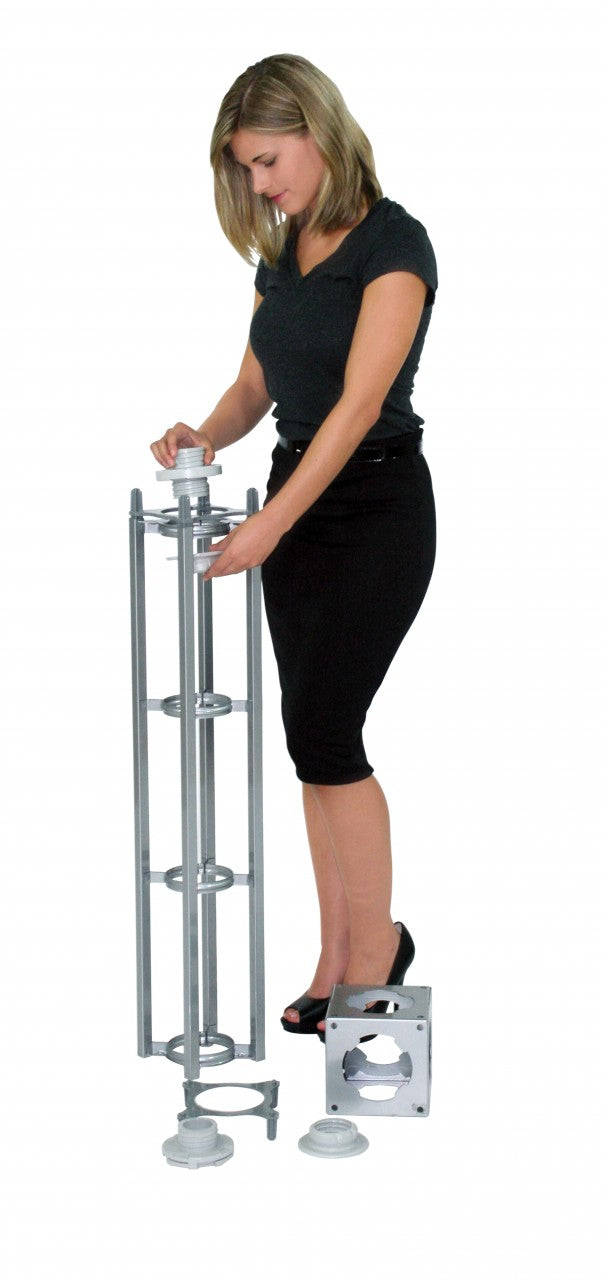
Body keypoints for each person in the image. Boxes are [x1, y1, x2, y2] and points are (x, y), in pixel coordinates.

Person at [150, 53, 438, 1040]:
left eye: (267, 160)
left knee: (328, 732)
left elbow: (357, 406)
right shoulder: (283, 252)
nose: (259, 184)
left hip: (374, 510)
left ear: (316, 131)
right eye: (246, 169)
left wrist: (268, 524)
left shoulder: (394, 245)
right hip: (295, 508)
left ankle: (378, 950)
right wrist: (201, 434)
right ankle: (336, 951)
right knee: (311, 742)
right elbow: (254, 387)